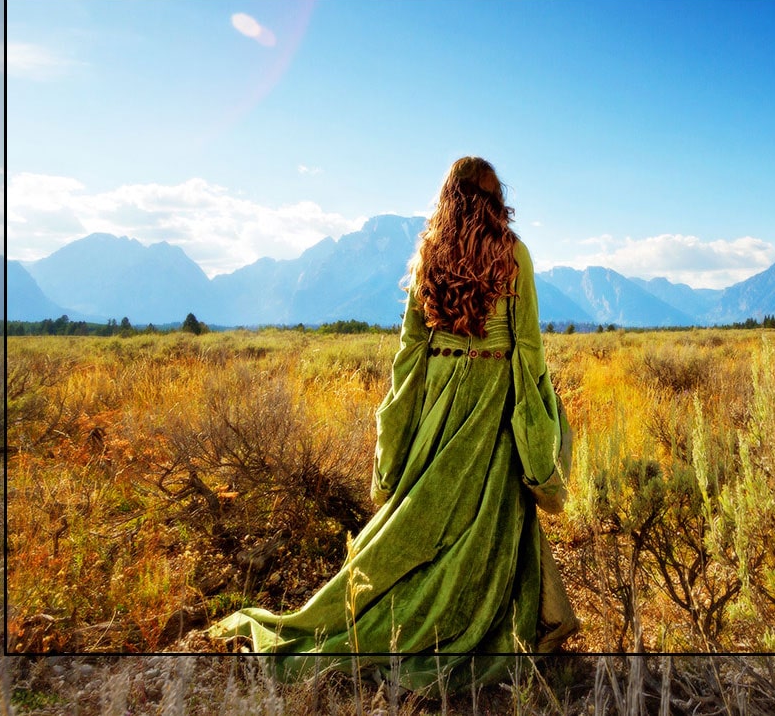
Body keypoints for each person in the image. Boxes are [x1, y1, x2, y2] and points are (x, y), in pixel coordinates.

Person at [208, 156, 576, 689]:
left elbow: (410, 355)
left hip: (439, 404)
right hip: (492, 402)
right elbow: (527, 350)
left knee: (420, 519)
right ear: (498, 199)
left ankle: (378, 618)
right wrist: (541, 421)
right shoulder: (515, 256)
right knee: (486, 523)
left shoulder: (430, 254)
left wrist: (399, 435)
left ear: (448, 197)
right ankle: (470, 620)